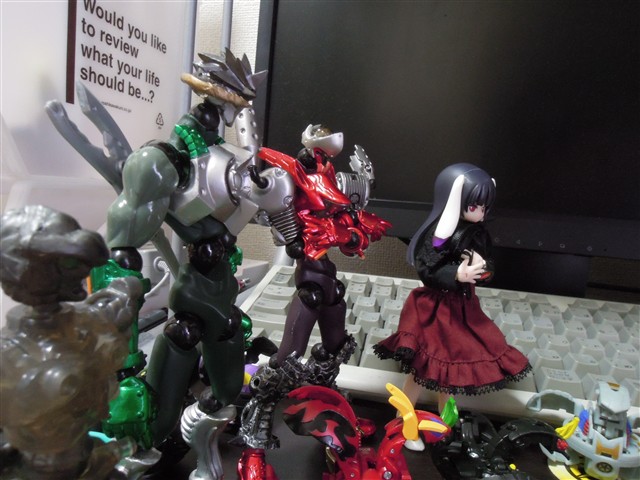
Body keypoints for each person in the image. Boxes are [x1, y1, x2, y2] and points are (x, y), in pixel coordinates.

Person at [374, 163, 531, 449]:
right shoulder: (439, 233)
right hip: (434, 311)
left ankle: (446, 425)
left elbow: (488, 263)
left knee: (449, 374)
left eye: (484, 207)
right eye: (474, 205)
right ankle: (403, 424)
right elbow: (428, 268)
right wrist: (457, 274)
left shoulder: (477, 233)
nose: (480, 212)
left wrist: (481, 270)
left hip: (462, 309)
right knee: (421, 372)